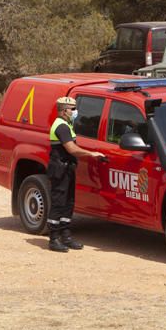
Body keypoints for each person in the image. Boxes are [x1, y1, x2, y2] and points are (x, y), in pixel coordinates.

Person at [46, 96, 105, 253]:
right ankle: (54, 238)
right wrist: (91, 154)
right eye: (72, 109)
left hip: (67, 169)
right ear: (64, 110)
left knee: (69, 202)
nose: (75, 112)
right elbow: (72, 149)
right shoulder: (61, 127)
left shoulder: (67, 124)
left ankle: (66, 236)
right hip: (59, 170)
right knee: (58, 203)